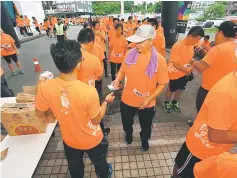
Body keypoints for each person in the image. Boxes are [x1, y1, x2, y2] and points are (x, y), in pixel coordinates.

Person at [35, 40, 114, 178]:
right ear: (78, 64)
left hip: (69, 139)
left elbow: (39, 112)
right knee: (100, 163)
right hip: (92, 139)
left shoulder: (45, 87)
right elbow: (96, 120)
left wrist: (39, 85)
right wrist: (106, 101)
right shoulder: (88, 91)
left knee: (75, 168)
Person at [112, 25, 169, 151]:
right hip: (127, 98)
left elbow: (162, 84)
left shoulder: (160, 60)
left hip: (147, 101)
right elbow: (122, 71)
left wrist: (149, 98)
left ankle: (144, 139)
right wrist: (117, 80)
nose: (136, 44)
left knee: (146, 126)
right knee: (126, 122)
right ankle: (128, 133)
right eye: (136, 41)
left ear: (151, 41)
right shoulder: (129, 54)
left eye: (140, 41)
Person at [172, 70, 237, 178]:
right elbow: (216, 135)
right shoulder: (227, 94)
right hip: (201, 149)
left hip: (217, 150)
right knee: (181, 174)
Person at [187, 21, 237, 126]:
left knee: (203, 109)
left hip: (210, 88)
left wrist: (191, 61)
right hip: (230, 89)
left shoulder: (218, 49)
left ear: (220, 32)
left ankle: (202, 126)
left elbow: (201, 67)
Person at [77, 28, 111, 136]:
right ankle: (99, 130)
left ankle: (82, 131)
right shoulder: (93, 59)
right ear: (92, 41)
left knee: (79, 112)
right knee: (95, 109)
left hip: (75, 90)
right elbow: (100, 75)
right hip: (92, 88)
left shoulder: (71, 54)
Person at [163, 26, 204, 113]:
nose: (198, 42)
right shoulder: (177, 46)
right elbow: (175, 64)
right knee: (171, 89)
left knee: (180, 89)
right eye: (197, 39)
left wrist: (191, 67)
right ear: (190, 36)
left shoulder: (191, 45)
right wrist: (187, 71)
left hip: (185, 73)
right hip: (174, 73)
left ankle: (174, 102)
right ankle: (167, 102)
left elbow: (190, 58)